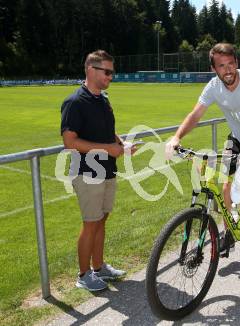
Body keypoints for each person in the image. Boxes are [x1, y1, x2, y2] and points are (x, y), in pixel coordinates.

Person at [166, 43, 240, 276]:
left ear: (236, 63)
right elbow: (196, 114)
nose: (227, 70)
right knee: (226, 186)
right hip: (237, 140)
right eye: (221, 66)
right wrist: (176, 137)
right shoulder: (214, 87)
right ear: (214, 68)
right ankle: (229, 233)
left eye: (230, 64)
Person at [61, 50, 135, 291]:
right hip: (87, 172)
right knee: (91, 223)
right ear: (91, 70)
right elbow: (70, 142)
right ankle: (83, 276)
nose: (111, 77)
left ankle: (99, 267)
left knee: (101, 220)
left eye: (112, 72)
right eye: (108, 72)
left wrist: (122, 145)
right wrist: (107, 149)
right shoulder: (75, 102)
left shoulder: (102, 99)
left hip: (107, 169)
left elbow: (107, 131)